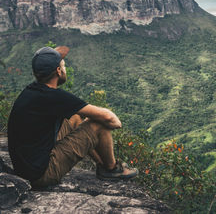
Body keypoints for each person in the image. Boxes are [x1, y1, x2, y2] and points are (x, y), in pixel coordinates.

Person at [7, 45, 138, 187]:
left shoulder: (32, 91)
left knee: (75, 117)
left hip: (26, 167)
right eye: (63, 65)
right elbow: (113, 121)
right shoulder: (55, 97)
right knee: (99, 124)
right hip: (41, 175)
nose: (65, 68)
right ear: (58, 71)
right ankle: (112, 169)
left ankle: (102, 165)